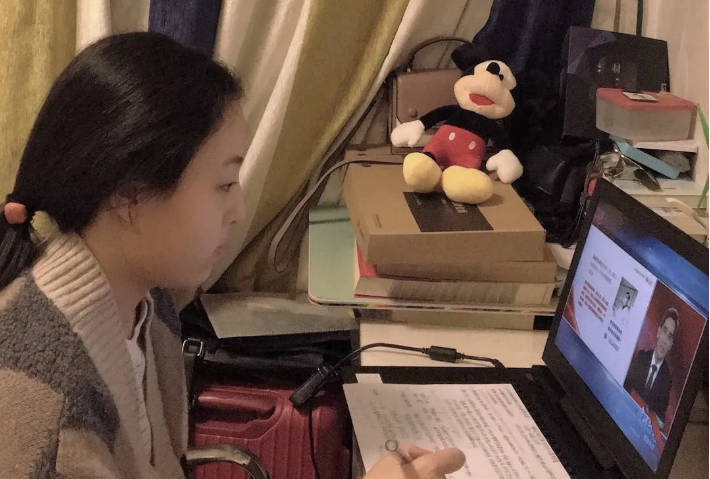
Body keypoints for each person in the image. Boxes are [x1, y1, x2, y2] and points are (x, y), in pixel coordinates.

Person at [0, 33, 465, 479]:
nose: (238, 210)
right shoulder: (44, 403)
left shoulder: (145, 299)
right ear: (129, 196)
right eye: (224, 184)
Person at [623, 308, 679, 425]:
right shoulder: (641, 357)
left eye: (669, 336)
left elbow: (660, 421)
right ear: (658, 332)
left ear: (671, 344)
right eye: (664, 331)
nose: (665, 340)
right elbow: (624, 389)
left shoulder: (667, 379)